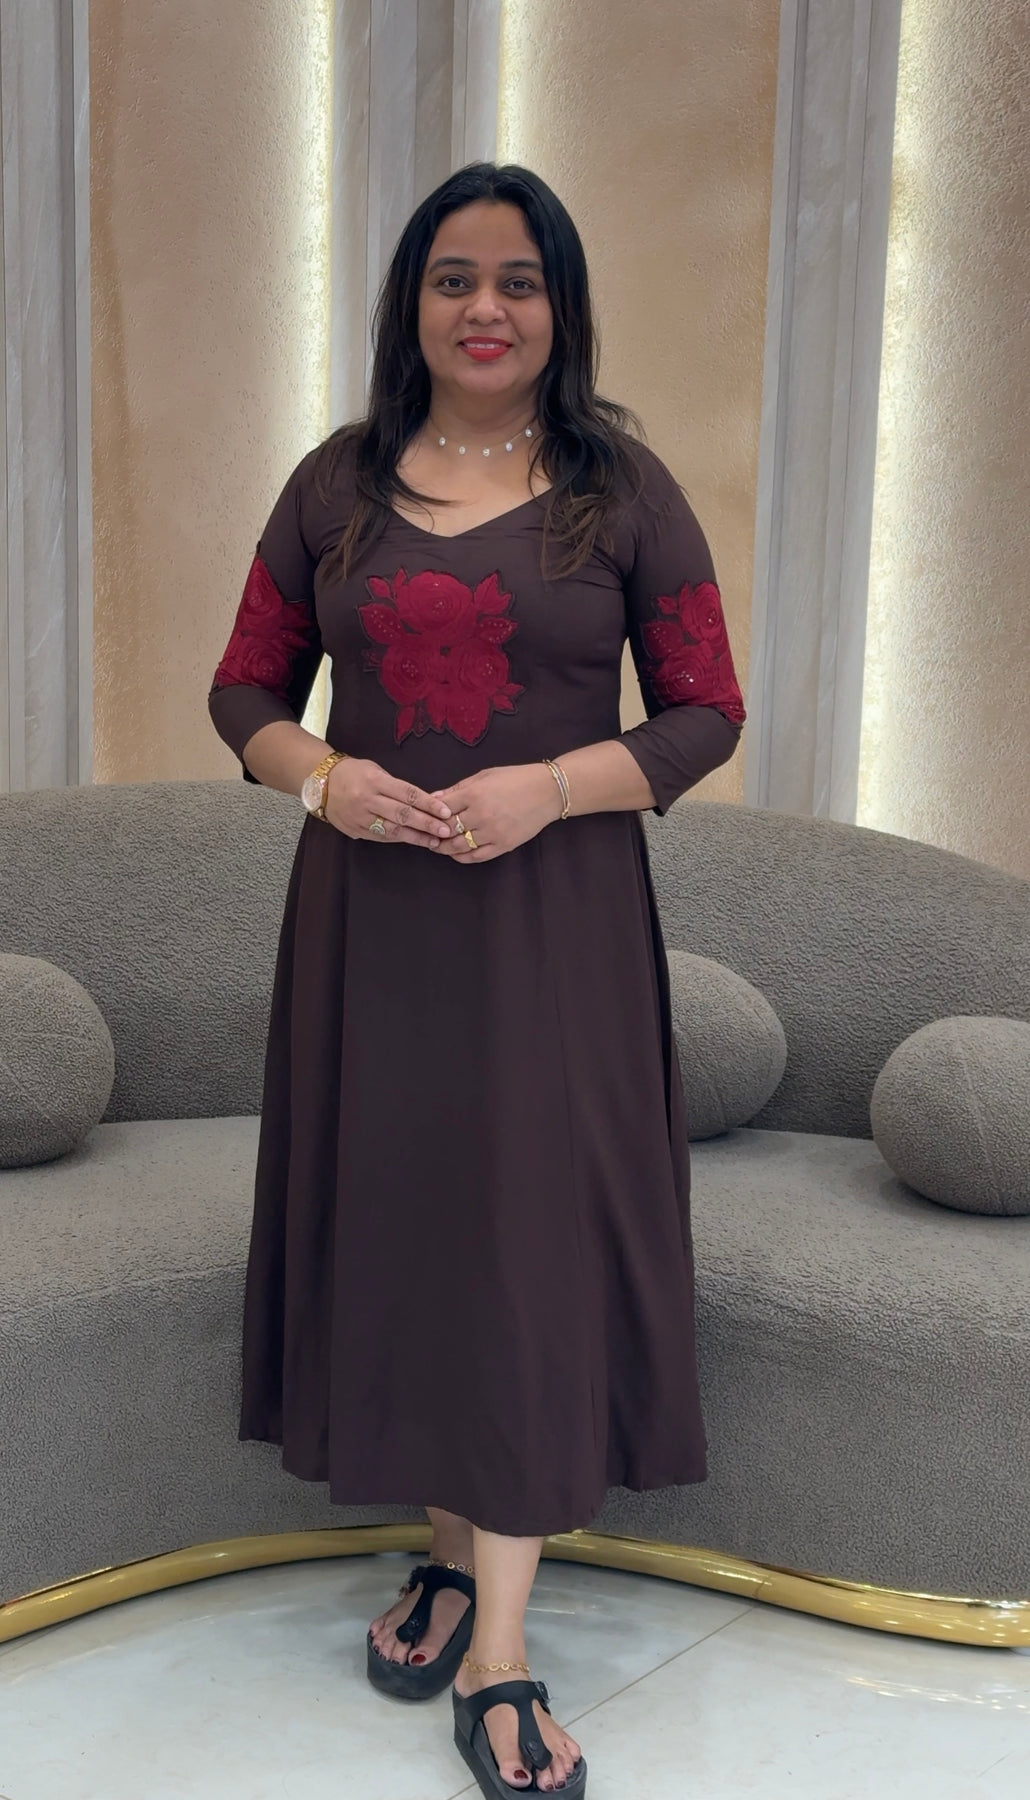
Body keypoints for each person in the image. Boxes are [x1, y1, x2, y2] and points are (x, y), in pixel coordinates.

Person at [208, 161, 745, 1799]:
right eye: (455, 278)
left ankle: (499, 1653)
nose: (487, 308)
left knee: (519, 1249)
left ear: (560, 306)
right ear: (412, 304)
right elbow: (243, 692)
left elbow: (705, 713)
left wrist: (551, 789)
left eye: (520, 279)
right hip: (371, 932)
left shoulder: (622, 492)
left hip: (551, 930)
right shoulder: (334, 484)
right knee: (420, 1234)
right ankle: (449, 1563)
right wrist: (323, 779)